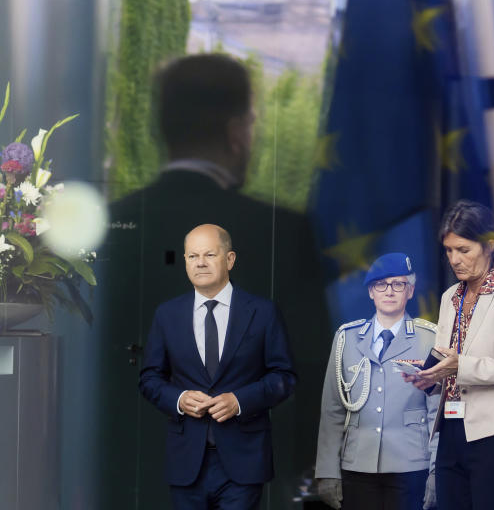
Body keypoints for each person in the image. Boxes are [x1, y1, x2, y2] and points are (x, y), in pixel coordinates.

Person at [101, 54, 326, 507]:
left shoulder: (110, 227)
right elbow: (309, 369)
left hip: (125, 479)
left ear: (161, 129)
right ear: (238, 130)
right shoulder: (281, 232)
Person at [138, 224, 297, 509]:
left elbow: (284, 377)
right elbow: (149, 378)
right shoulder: (167, 314)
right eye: (192, 256)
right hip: (187, 460)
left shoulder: (262, 312)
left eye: (209, 254)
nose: (200, 263)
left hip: (243, 460)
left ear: (230, 259)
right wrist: (179, 399)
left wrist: (240, 401)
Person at [404, 200, 494, 509]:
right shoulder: (449, 297)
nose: (455, 259)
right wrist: (429, 375)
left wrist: (462, 366)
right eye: (449, 250)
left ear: (489, 246)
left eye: (463, 250)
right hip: (451, 430)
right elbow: (449, 363)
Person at [315, 253, 440, 510]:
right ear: (371, 291)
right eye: (381, 284)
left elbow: (436, 413)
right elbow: (333, 410)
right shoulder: (346, 339)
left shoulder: (430, 340)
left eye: (398, 284)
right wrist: (327, 469)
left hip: (412, 466)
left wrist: (437, 471)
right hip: (358, 466)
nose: (389, 291)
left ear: (411, 290)